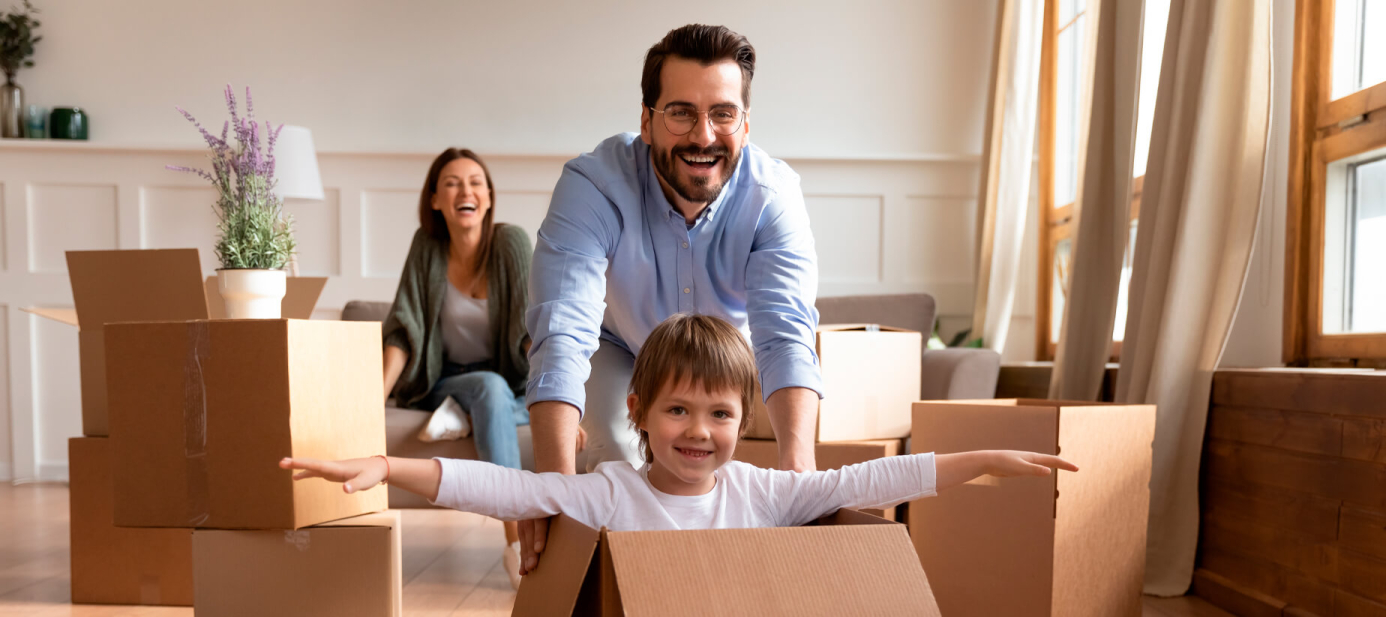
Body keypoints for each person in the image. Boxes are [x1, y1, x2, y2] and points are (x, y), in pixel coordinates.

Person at [283, 314, 1078, 536]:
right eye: (677, 410)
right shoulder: (611, 493)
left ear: (745, 418)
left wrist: (979, 455)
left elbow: (871, 479)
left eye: (721, 413)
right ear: (638, 413)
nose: (700, 431)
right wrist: (391, 469)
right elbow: (503, 487)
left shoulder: (762, 493)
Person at [522, 23, 825, 573]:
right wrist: (552, 488)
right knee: (615, 460)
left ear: (746, 124)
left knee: (705, 478)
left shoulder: (773, 198)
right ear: (647, 120)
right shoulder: (592, 186)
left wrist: (798, 471)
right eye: (681, 112)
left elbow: (785, 335)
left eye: (723, 114)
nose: (703, 136)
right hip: (618, 342)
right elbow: (562, 332)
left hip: (721, 352)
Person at [379, 147, 532, 587]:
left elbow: (530, 331)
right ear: (434, 200)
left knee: (494, 392)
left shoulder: (511, 244)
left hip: (508, 380)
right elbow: (403, 330)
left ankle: (468, 417)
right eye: (451, 183)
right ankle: (517, 542)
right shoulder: (426, 247)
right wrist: (374, 400)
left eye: (475, 182)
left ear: (488, 196)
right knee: (488, 388)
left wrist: (557, 401)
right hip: (441, 378)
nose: (465, 190)